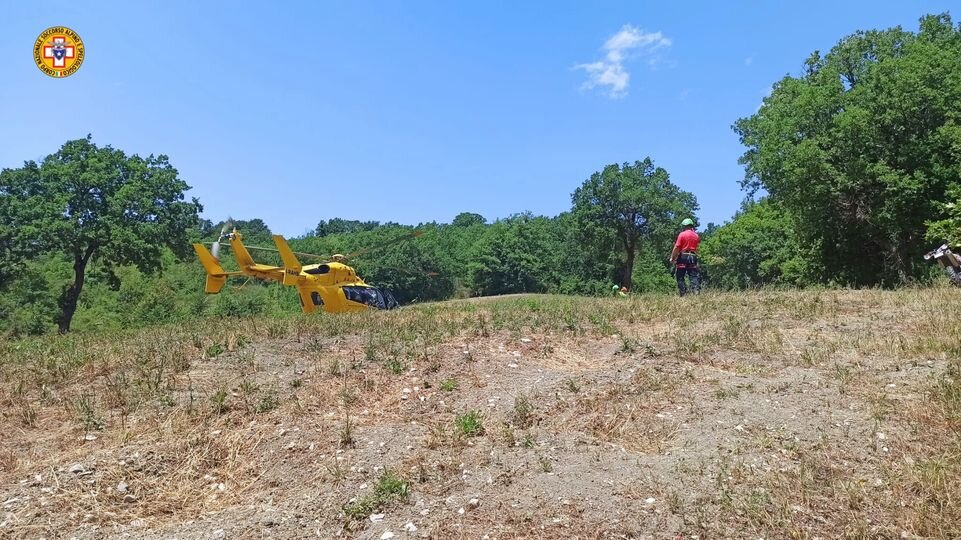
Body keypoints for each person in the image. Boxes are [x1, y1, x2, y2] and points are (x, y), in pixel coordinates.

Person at [669, 218, 700, 296]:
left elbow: (677, 247)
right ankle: (696, 292)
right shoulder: (696, 235)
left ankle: (683, 294)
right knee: (693, 276)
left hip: (683, 256)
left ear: (684, 226)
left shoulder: (682, 234)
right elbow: (697, 248)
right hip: (693, 256)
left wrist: (672, 258)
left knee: (680, 275)